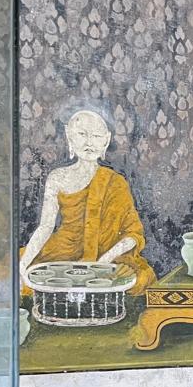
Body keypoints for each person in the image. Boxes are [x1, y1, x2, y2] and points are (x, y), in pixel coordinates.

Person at [19, 107, 154, 294]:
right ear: (69, 136)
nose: (89, 142)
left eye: (97, 136)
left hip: (107, 252)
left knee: (139, 278)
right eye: (82, 134)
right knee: (15, 273)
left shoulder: (115, 182)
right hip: (62, 249)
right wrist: (23, 264)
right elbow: (45, 227)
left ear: (106, 140)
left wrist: (102, 263)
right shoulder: (57, 177)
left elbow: (133, 234)